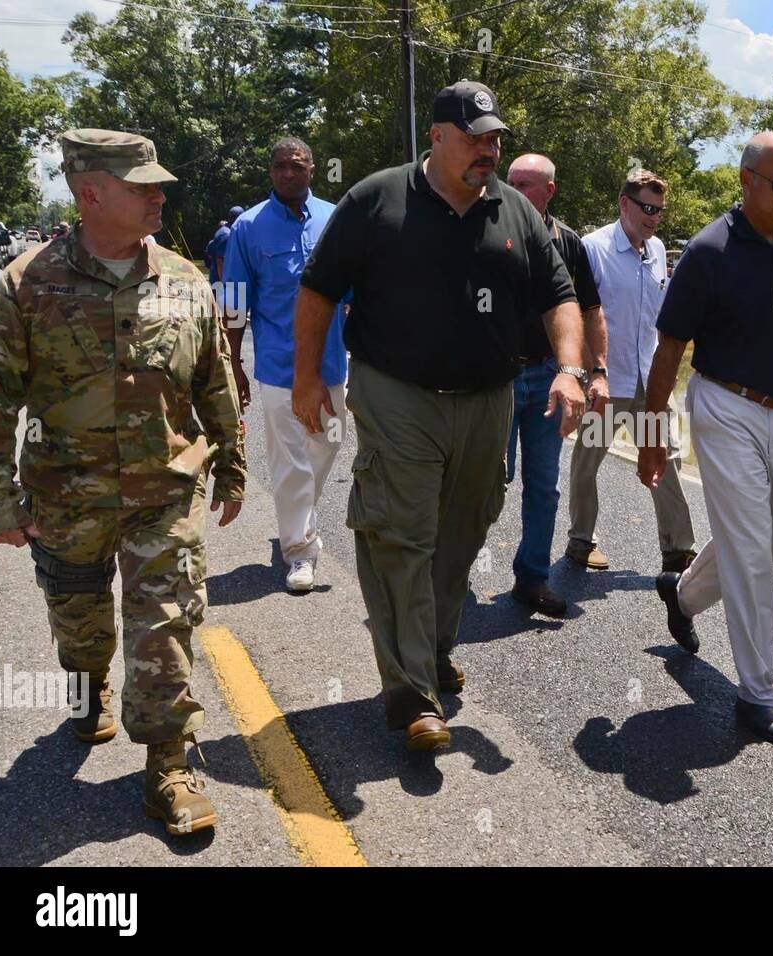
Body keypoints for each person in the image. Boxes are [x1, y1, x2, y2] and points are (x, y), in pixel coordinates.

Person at [292, 81, 586, 751]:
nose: (490, 149)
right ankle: (413, 695)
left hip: (489, 397)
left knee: (463, 530)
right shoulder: (376, 199)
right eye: (476, 137)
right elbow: (318, 292)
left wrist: (570, 369)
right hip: (397, 393)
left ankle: (430, 647)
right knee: (403, 533)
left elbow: (559, 296)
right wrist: (309, 378)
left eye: (496, 139)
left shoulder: (514, 210)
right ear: (438, 136)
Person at [0, 129, 245, 836]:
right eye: (143, 186)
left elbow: (215, 381)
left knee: (165, 623)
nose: (160, 195)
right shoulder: (26, 285)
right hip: (66, 496)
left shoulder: (187, 279)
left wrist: (232, 466)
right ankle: (84, 680)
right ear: (91, 192)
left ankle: (168, 761)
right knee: (80, 619)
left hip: (166, 491)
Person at [638, 132, 773, 747]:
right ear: (747, 180)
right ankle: (758, 696)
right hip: (724, 406)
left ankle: (682, 595)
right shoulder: (710, 251)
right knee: (755, 554)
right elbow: (670, 348)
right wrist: (654, 436)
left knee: (767, 535)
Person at [223, 137, 347, 592]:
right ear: (270, 171)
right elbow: (234, 299)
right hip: (277, 367)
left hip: (331, 365)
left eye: (296, 166)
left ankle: (298, 518)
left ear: (312, 168)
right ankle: (299, 553)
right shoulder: (249, 227)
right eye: (279, 167)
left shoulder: (335, 219)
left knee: (329, 443)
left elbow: (355, 290)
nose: (288, 174)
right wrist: (232, 361)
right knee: (290, 460)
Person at [568, 169, 697, 574]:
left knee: (669, 457)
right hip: (608, 380)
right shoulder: (593, 249)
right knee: (588, 461)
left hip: (650, 381)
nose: (654, 217)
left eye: (659, 210)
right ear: (624, 203)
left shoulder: (657, 250)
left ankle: (678, 550)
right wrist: (590, 374)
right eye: (646, 207)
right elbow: (580, 315)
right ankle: (580, 540)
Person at [504, 153, 607, 617]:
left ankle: (533, 578)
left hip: (550, 376)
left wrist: (595, 371)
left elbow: (589, 310)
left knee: (544, 485)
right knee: (486, 482)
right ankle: (452, 574)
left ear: (549, 191)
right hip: (495, 378)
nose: (515, 190)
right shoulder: (488, 230)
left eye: (526, 184)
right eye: (511, 182)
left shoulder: (568, 243)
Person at [204, 205, 243, 285]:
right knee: (229, 297)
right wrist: (224, 284)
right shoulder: (227, 234)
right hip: (221, 281)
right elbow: (220, 261)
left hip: (223, 279)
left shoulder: (226, 230)